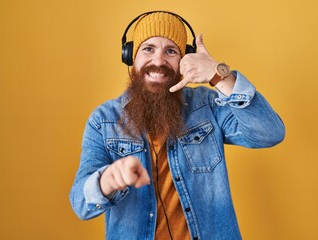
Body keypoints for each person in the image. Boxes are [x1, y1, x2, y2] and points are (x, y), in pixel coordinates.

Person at [69, 11, 285, 240]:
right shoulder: (103, 120)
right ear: (130, 56)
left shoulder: (207, 106)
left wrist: (219, 77)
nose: (159, 61)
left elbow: (269, 133)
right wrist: (107, 180)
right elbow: (81, 205)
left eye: (171, 51)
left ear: (185, 60)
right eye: (148, 49)